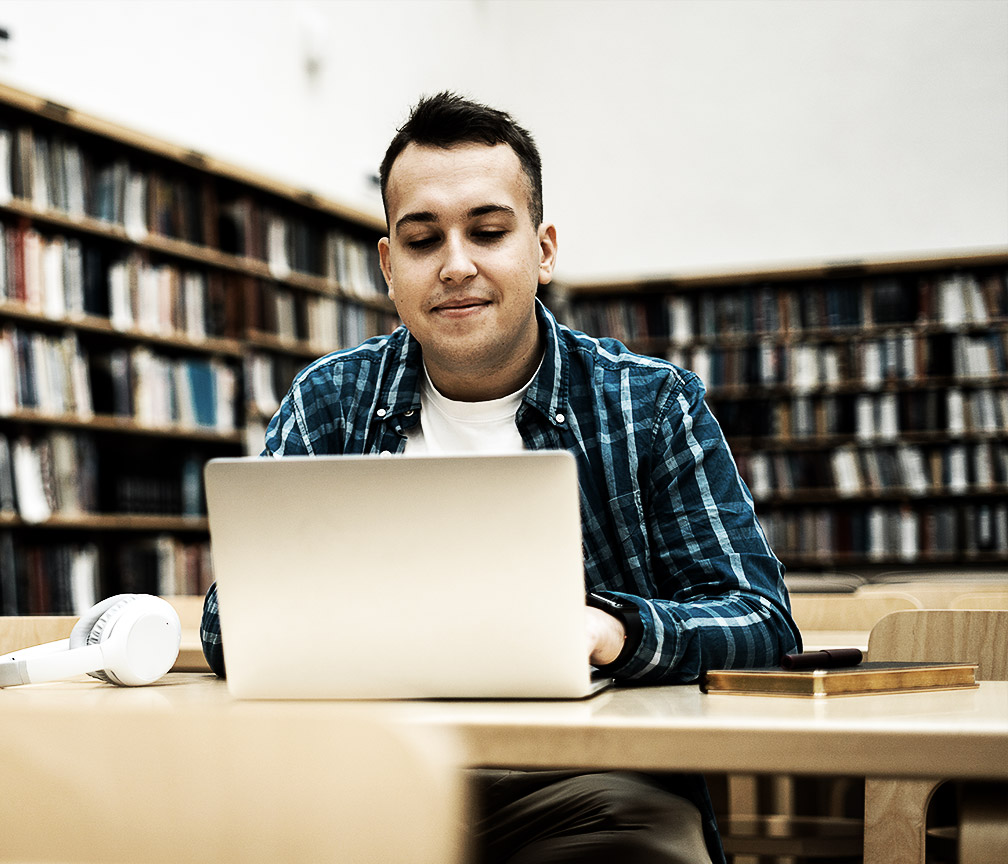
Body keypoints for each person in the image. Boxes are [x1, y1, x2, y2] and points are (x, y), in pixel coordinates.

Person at [199, 92, 801, 864]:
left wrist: (613, 632)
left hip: (590, 786)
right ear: (389, 265)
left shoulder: (647, 404)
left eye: (488, 231)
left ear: (543, 250)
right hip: (368, 782)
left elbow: (763, 623)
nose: (456, 265)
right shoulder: (327, 402)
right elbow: (229, 625)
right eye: (422, 240)